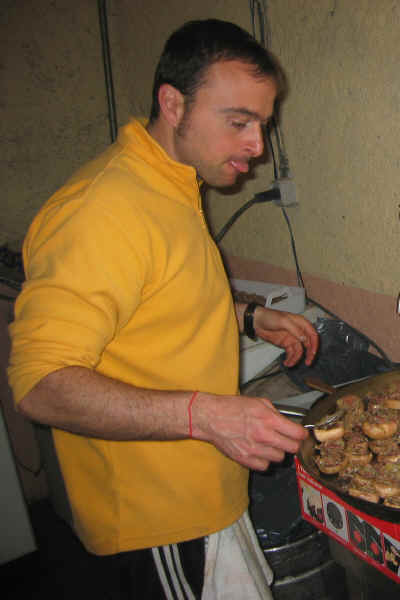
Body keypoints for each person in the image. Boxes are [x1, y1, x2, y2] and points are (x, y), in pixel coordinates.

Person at [7, 19, 318, 599]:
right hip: (160, 525)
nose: (257, 146)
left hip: (205, 497)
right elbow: (40, 384)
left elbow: (159, 298)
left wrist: (249, 317)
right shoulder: (102, 209)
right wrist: (210, 416)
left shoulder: (171, 184)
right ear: (173, 104)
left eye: (263, 125)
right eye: (239, 122)